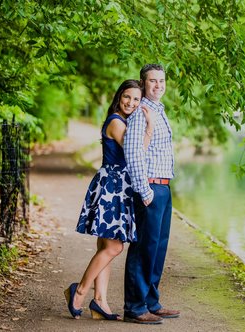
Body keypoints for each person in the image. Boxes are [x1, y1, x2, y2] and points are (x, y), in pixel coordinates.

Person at [65, 80, 153, 320]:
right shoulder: (116, 121)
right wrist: (150, 128)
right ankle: (80, 291)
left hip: (116, 185)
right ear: (119, 96)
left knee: (106, 247)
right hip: (113, 186)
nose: (131, 103)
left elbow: (134, 152)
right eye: (127, 97)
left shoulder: (122, 121)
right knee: (115, 247)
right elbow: (136, 153)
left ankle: (100, 301)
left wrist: (145, 129)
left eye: (136, 99)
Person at [123, 64, 180, 324]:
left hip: (163, 187)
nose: (158, 85)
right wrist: (144, 191)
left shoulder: (159, 111)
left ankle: (151, 302)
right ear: (143, 84)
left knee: (158, 248)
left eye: (161, 80)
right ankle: (135, 307)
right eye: (153, 81)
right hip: (150, 187)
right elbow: (134, 153)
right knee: (143, 248)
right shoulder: (140, 113)